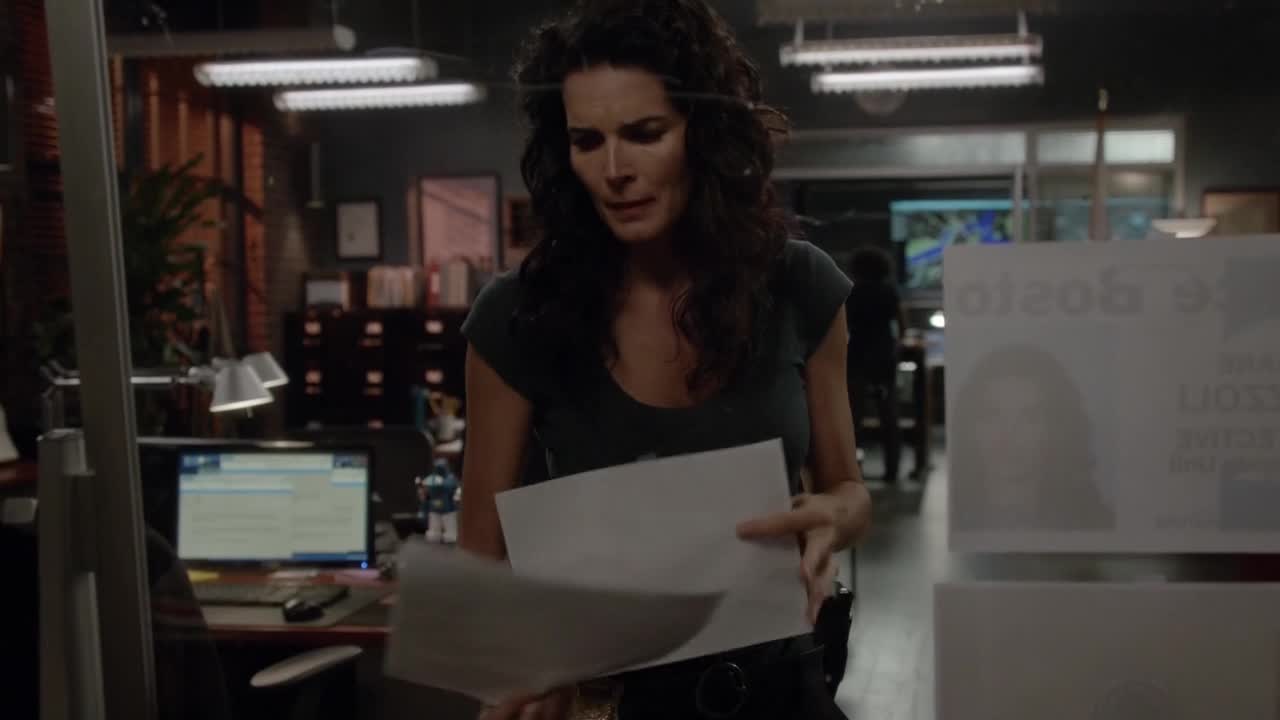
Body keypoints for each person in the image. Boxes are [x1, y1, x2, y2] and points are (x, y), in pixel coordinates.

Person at [458, 1, 871, 718]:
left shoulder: (798, 286)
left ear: (702, 134)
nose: (615, 170)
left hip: (778, 692)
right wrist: (524, 665)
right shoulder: (517, 316)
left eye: (645, 134)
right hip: (608, 701)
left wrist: (833, 516)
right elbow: (480, 561)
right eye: (587, 141)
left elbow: (849, 490)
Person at [950, 344, 1114, 531]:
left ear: (1056, 429)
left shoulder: (1096, 523)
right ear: (970, 426)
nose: (1009, 435)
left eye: (1030, 418)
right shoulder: (953, 516)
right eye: (992, 415)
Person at [844, 246, 906, 486]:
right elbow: (902, 323)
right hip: (883, 358)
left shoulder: (853, 292)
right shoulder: (889, 291)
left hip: (858, 356)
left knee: (854, 416)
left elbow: (844, 325)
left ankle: (851, 470)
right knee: (888, 414)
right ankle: (892, 470)